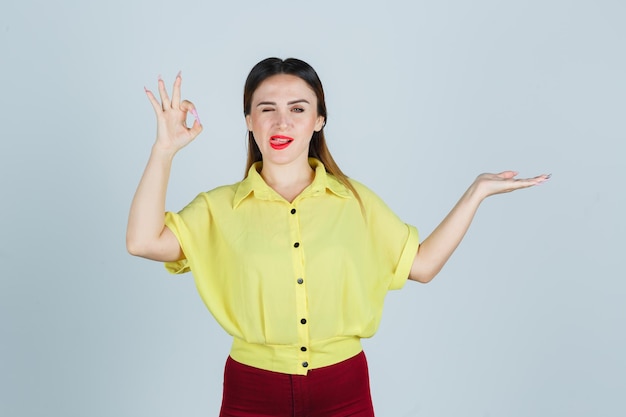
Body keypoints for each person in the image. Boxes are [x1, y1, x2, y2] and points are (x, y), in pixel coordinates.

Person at [126, 57, 550, 416]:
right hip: (251, 388)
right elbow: (143, 241)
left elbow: (421, 265)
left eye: (298, 108)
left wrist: (475, 193)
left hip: (343, 385)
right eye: (267, 108)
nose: (281, 121)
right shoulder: (217, 209)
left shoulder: (355, 201)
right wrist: (163, 151)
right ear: (249, 121)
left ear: (319, 120)